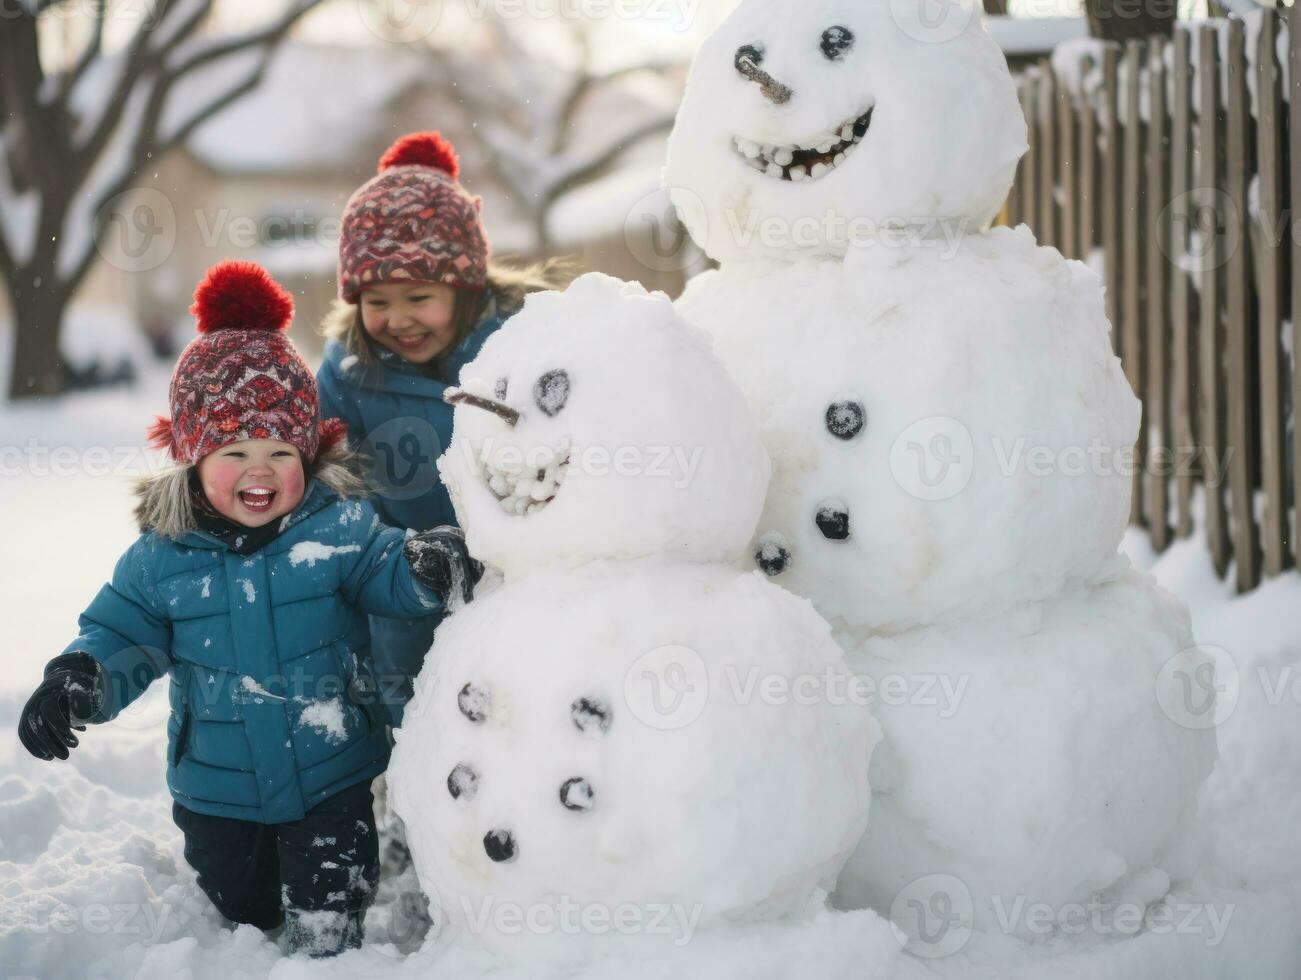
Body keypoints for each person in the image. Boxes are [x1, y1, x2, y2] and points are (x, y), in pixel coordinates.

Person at [16, 260, 480, 958]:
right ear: (193, 460)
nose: (259, 469)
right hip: (217, 791)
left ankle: (332, 942)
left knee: (330, 915)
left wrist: (423, 566)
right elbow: (120, 629)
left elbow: (385, 570)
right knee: (241, 907)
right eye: (234, 450)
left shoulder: (338, 528)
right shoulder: (163, 555)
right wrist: (82, 677)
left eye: (278, 450)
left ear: (309, 453)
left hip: (332, 771)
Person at [317, 130, 570, 728]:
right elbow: (332, 484)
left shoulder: (530, 342)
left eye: (419, 296)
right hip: (406, 585)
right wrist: (388, 559)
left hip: (524, 573)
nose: (397, 319)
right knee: (417, 711)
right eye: (376, 300)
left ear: (464, 285)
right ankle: (409, 798)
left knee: (523, 705)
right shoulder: (349, 373)